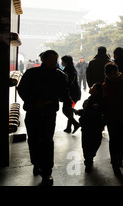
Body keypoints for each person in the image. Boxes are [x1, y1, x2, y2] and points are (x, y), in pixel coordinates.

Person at [17, 50, 73, 185]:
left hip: (49, 113)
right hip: (33, 111)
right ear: (43, 60)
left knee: (47, 141)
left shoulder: (60, 75)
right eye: (52, 59)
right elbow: (22, 89)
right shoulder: (31, 73)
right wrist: (34, 102)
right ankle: (36, 163)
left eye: (56, 59)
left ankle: (47, 172)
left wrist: (69, 105)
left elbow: (64, 93)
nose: (55, 62)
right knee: (34, 139)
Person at [74, 83, 105, 172]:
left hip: (94, 126)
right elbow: (86, 111)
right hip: (87, 126)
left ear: (97, 91)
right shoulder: (90, 99)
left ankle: (89, 157)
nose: (90, 88)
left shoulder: (100, 101)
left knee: (93, 143)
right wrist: (78, 112)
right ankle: (88, 161)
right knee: (87, 144)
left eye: (92, 87)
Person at [61, 55, 81, 134]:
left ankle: (75, 124)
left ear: (66, 62)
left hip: (72, 93)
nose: (61, 62)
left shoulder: (70, 70)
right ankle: (69, 127)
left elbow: (70, 82)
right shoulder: (69, 68)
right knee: (69, 109)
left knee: (66, 110)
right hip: (73, 92)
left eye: (62, 61)